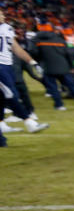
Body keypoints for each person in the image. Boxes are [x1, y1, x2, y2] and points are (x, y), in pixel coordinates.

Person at [0, 7, 50, 138]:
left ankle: (1, 124)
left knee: (2, 95)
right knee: (10, 94)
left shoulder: (7, 28)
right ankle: (29, 122)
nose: (3, 15)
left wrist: (32, 62)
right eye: (0, 13)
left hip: (7, 66)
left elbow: (16, 48)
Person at [32, 22, 74, 110]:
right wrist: (72, 66)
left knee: (53, 87)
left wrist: (39, 62)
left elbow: (35, 53)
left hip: (48, 67)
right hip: (64, 66)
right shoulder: (61, 40)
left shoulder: (39, 42)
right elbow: (70, 53)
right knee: (72, 84)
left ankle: (59, 105)